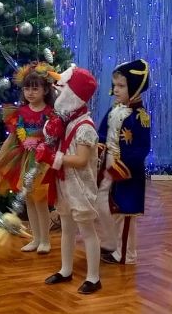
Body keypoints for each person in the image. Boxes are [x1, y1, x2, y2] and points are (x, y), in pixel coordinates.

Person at [37, 65, 102, 294]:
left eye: (62, 89)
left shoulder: (85, 127)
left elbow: (81, 160)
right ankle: (66, 270)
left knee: (87, 231)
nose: (57, 93)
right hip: (65, 183)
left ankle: (93, 277)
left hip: (80, 187)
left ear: (72, 95)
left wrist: (54, 157)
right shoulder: (66, 121)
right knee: (66, 228)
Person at [0, 62, 56, 254]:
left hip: (43, 161)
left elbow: (54, 137)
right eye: (27, 88)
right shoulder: (21, 113)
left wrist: (42, 145)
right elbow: (12, 139)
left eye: (35, 89)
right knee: (30, 200)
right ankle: (36, 238)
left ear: (45, 90)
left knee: (40, 201)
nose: (30, 93)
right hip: (25, 159)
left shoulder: (50, 113)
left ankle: (45, 240)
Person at [96, 59, 151, 265]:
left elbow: (141, 148)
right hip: (107, 165)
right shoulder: (114, 110)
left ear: (134, 88)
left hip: (127, 172)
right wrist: (99, 148)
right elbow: (103, 132)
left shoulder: (140, 117)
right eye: (115, 85)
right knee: (102, 203)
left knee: (124, 213)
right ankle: (111, 243)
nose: (116, 90)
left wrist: (122, 167)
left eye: (121, 86)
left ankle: (126, 255)